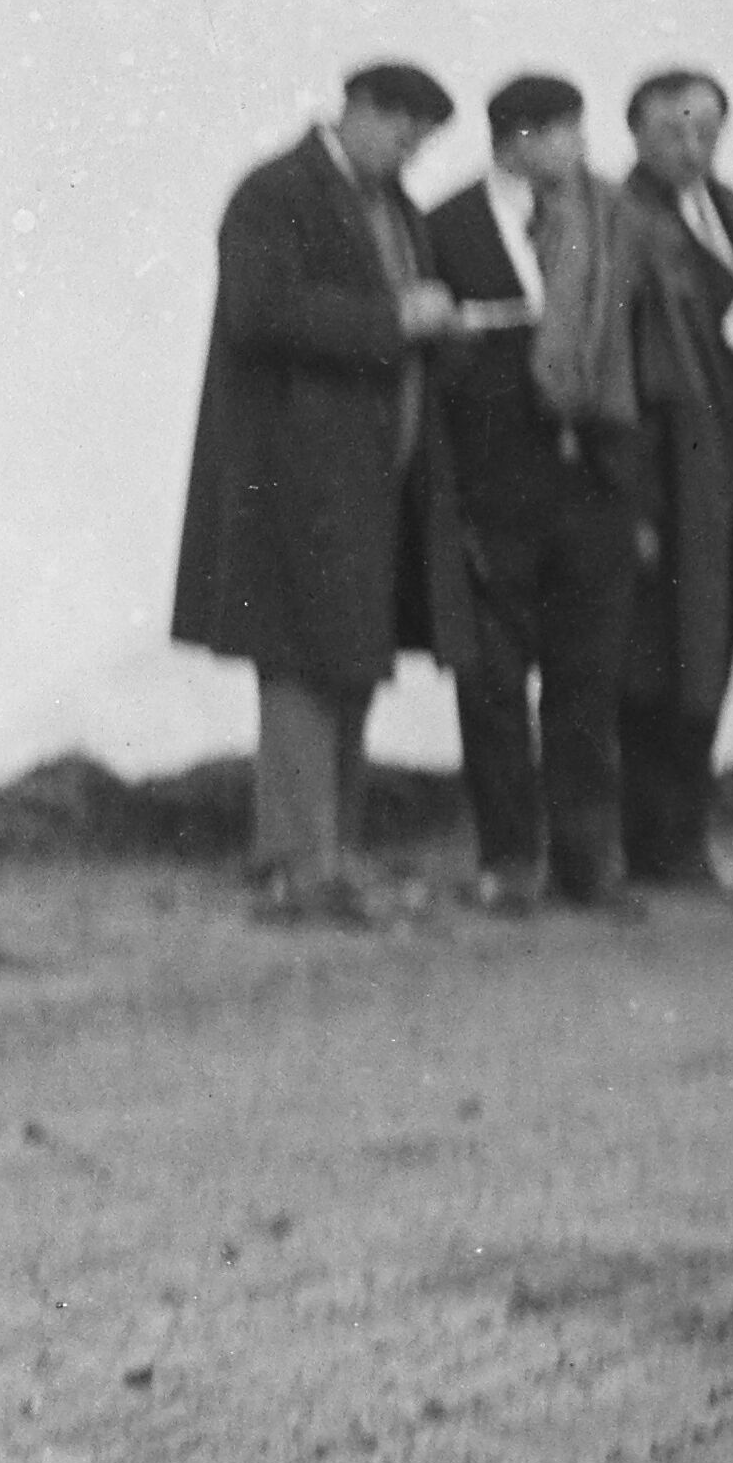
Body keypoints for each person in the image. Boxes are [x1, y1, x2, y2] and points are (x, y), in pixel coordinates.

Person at [179, 58, 467, 921]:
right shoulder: (272, 192)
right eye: (399, 128)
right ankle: (300, 863)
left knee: (348, 663)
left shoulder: (396, 210)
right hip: (296, 479)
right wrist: (394, 322)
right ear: (356, 109)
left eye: (421, 139)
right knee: (304, 664)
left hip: (374, 483)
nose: (408, 149)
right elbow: (257, 312)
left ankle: (327, 856)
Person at [408, 68, 664, 915]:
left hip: (590, 485)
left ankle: (586, 864)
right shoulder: (443, 224)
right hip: (491, 494)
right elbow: (431, 367)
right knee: (490, 687)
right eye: (564, 132)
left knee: (586, 681)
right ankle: (508, 862)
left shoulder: (607, 222)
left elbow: (633, 349)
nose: (580, 149)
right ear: (517, 139)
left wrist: (625, 488)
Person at [611, 63, 733, 900]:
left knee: (707, 656)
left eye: (705, 131)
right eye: (672, 132)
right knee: (654, 659)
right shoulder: (624, 219)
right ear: (637, 136)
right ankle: (650, 842)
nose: (691, 147)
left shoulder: (727, 210)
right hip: (661, 475)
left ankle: (680, 835)